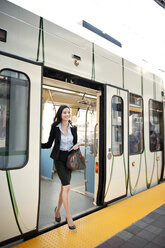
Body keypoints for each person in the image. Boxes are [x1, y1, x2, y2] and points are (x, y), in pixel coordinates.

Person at [41, 105, 80, 230]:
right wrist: (35, 143)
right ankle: (69, 217)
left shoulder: (73, 128)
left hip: (69, 160)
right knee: (67, 187)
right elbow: (48, 144)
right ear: (60, 114)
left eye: (69, 112)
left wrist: (77, 147)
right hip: (59, 159)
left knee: (64, 187)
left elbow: (76, 144)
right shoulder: (55, 128)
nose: (67, 114)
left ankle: (57, 211)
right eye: (65, 112)